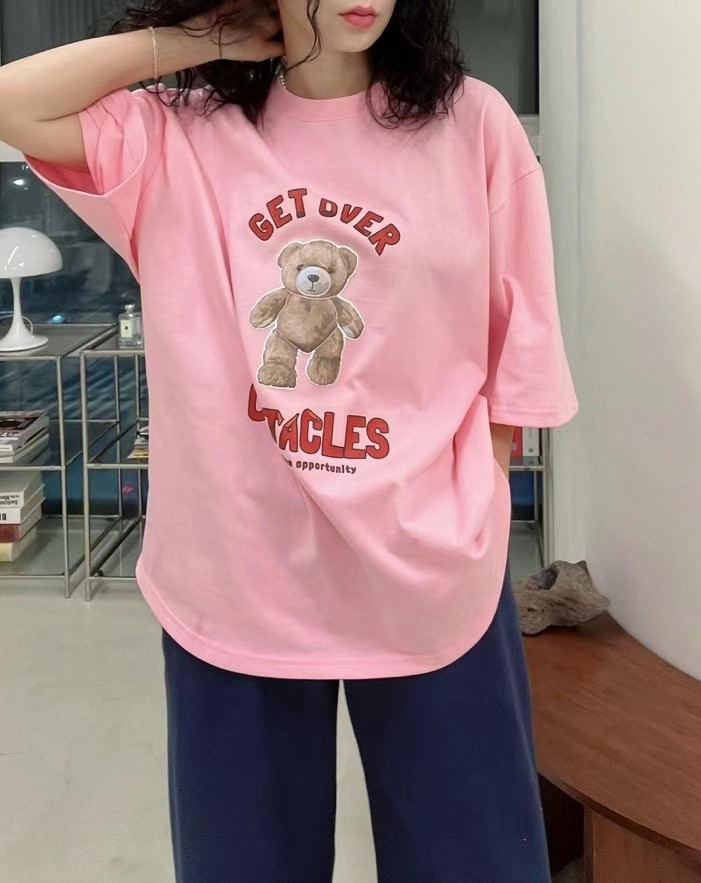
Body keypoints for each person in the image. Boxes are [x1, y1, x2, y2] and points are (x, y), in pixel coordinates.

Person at [0, 1, 579, 880]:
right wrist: (204, 38)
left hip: (429, 565)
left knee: (475, 860)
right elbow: (15, 101)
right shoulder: (179, 136)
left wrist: (484, 498)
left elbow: (519, 332)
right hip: (240, 572)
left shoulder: (472, 123)